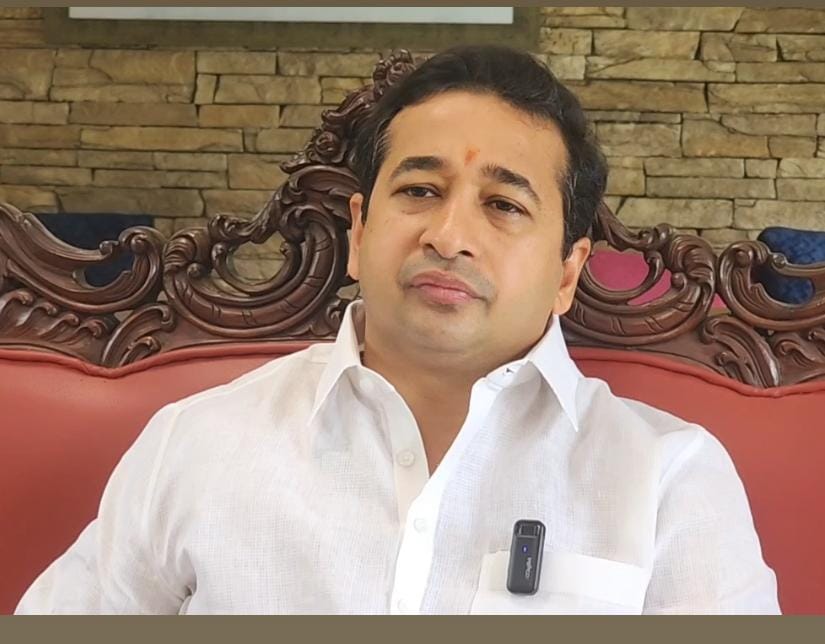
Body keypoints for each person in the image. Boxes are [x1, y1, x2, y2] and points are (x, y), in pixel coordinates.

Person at [15, 44, 780, 614]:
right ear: (358, 230)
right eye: (419, 190)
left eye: (503, 205)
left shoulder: (668, 479)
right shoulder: (194, 443)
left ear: (566, 271)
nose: (448, 236)